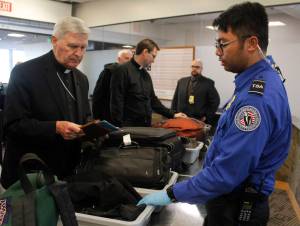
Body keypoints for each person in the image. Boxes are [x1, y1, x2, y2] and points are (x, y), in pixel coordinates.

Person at [137, 2, 292, 226]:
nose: (217, 52)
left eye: (223, 44)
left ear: (251, 43)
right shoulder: (259, 80)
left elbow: (226, 174)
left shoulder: (254, 101)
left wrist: (172, 194)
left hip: (236, 205)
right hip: (232, 197)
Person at [1, 17, 91, 188]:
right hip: (29, 175)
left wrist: (92, 128)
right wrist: (55, 127)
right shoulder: (25, 73)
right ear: (54, 41)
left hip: (66, 173)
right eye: (73, 46)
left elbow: (84, 116)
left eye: (83, 47)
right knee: (18, 215)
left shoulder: (82, 79)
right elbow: (13, 125)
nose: (79, 53)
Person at [110, 39, 186, 127]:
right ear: (145, 52)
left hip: (145, 127)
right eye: (153, 56)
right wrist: (119, 129)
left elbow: (153, 100)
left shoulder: (145, 75)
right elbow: (116, 103)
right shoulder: (122, 71)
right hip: (128, 128)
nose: (153, 61)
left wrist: (173, 114)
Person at [171, 59, 220, 124]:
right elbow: (175, 99)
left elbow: (215, 101)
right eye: (192, 66)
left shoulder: (208, 83)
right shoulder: (181, 81)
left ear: (201, 69)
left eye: (197, 67)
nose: (194, 69)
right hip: (181, 118)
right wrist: (173, 114)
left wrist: (207, 116)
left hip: (198, 120)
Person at [92, 49, 133, 121]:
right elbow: (98, 95)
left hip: (124, 117)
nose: (129, 61)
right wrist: (96, 116)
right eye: (126, 58)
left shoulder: (129, 74)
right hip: (107, 114)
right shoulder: (108, 72)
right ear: (119, 59)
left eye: (131, 59)